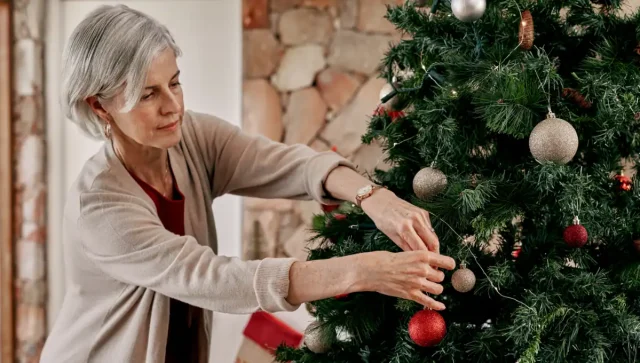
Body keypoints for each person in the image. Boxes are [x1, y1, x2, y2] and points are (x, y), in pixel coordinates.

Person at [40, 4, 456, 363]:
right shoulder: (99, 206)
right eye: (148, 94)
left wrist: (373, 196)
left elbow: (287, 164)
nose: (173, 106)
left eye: (175, 82)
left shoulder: (191, 138)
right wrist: (362, 271)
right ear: (99, 105)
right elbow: (214, 279)